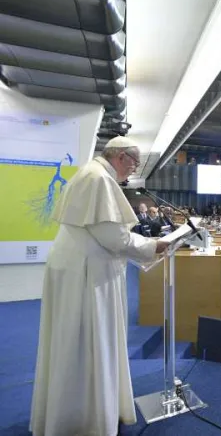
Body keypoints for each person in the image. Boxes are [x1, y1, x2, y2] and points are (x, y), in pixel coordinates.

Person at [30, 137, 169, 436]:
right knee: (84, 343)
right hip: (85, 274)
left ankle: (85, 411)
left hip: (78, 267)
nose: (132, 171)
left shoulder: (91, 173)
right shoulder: (99, 179)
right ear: (120, 157)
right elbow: (115, 238)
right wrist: (154, 245)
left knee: (75, 342)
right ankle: (83, 419)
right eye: (133, 163)